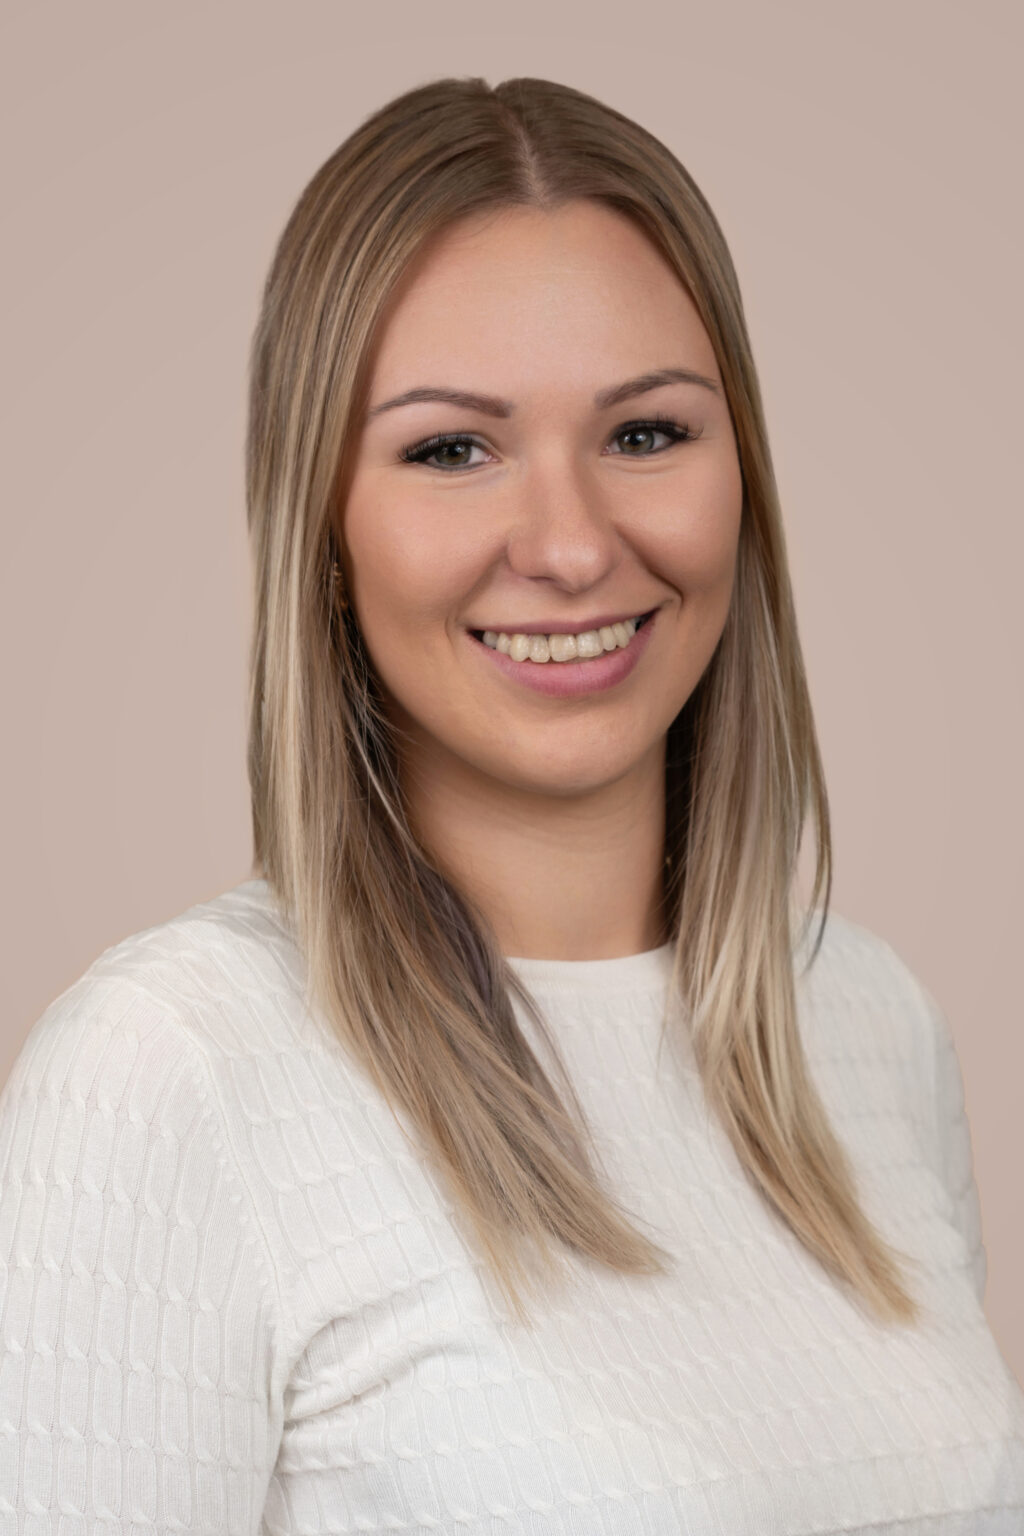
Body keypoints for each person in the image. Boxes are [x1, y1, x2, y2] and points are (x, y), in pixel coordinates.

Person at [2, 73, 1022, 1535]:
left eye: (647, 433)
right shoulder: (171, 1071)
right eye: (452, 450)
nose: (570, 545)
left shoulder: (867, 1021)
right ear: (323, 528)